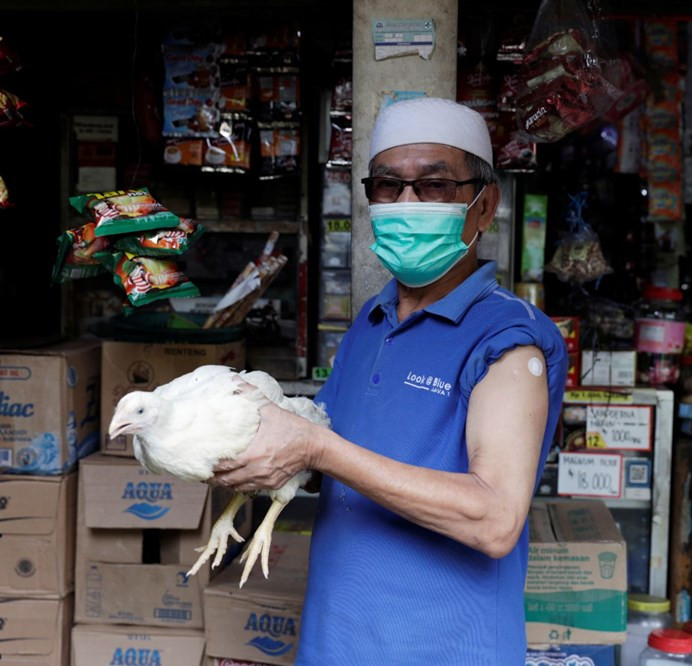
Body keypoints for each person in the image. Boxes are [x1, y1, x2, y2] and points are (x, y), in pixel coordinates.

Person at [211, 97, 568, 665]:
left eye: (434, 186)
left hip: (445, 649)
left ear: (484, 205)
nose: (407, 203)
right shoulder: (371, 322)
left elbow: (496, 519)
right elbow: (314, 451)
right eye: (388, 186)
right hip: (337, 641)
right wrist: (225, 425)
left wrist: (315, 447)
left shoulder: (507, 338)